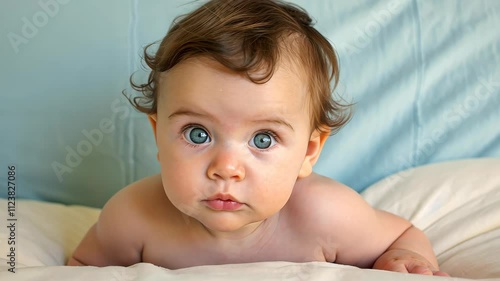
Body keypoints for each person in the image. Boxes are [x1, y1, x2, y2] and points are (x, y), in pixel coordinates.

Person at [68, 0, 449, 276]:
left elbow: (403, 234)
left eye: (263, 139)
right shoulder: (133, 217)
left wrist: (404, 259)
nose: (226, 169)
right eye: (197, 133)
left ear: (309, 151)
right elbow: (79, 267)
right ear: (158, 134)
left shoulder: (326, 216)